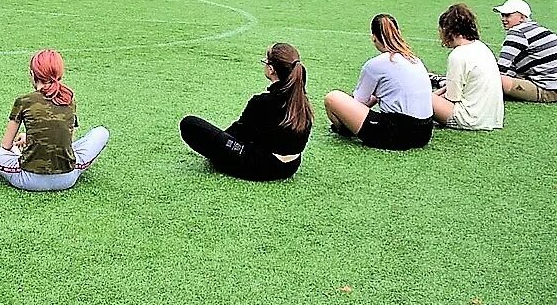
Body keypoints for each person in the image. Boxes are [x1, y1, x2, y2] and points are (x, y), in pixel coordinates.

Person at [0, 49, 109, 191]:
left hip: (27, 178)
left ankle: (21, 159)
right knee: (101, 132)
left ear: (32, 74)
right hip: (68, 177)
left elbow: (5, 146)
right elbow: (66, 143)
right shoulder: (68, 99)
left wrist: (20, 150)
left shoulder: (24, 101)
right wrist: (32, 137)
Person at [180, 43, 311, 181]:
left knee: (190, 124)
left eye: (265, 62)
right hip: (291, 166)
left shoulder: (262, 102)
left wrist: (220, 144)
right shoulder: (303, 102)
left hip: (264, 166)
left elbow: (239, 133)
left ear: (271, 69)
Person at [323, 14, 434, 150]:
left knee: (333, 98)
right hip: (425, 132)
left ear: (373, 37)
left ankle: (346, 128)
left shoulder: (375, 64)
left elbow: (360, 102)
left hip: (397, 134)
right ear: (398, 34)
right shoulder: (414, 59)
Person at [431, 4, 504, 130]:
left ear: (448, 30)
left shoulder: (458, 55)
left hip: (470, 119)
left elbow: (452, 97)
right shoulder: (481, 47)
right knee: (429, 97)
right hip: (491, 117)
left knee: (417, 97)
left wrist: (431, 97)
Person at [494, 0, 557, 104]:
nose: (503, 19)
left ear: (522, 18)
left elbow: (502, 68)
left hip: (547, 89)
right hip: (550, 83)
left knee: (492, 78)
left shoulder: (517, 33)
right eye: (502, 15)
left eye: (508, 15)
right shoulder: (539, 30)